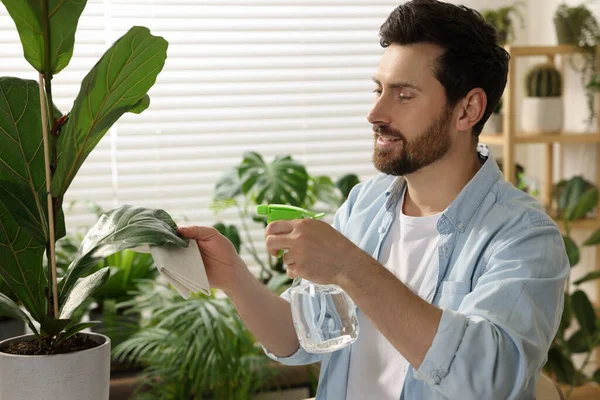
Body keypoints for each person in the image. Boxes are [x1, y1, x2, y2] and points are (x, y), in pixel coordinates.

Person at [177, 0, 569, 398]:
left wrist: (349, 266)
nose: (375, 112)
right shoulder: (365, 203)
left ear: (468, 109)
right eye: (379, 89)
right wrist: (234, 278)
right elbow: (305, 337)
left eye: (403, 95)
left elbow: (489, 380)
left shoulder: (523, 236)